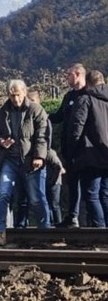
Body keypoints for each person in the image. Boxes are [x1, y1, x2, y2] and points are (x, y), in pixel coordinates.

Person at [0, 79, 50, 245]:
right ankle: (0, 233)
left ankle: (45, 233)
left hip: (30, 160)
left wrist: (39, 156)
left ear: (24, 92)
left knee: (37, 198)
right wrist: (1, 141)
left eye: (17, 95)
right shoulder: (2, 112)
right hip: (9, 159)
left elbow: (42, 136)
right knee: (3, 194)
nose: (15, 99)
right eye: (12, 95)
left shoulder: (36, 110)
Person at [65, 70, 108, 227]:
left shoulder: (85, 99)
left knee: (91, 194)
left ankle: (100, 230)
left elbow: (76, 127)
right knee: (105, 194)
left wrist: (72, 151)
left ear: (88, 83)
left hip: (90, 155)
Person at [49, 63, 87, 227]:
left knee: (89, 186)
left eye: (68, 75)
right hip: (69, 149)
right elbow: (59, 117)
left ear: (78, 74)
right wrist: (42, 115)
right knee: (72, 184)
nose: (66, 78)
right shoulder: (69, 97)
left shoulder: (88, 95)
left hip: (85, 149)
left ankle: (92, 220)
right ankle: (72, 216)